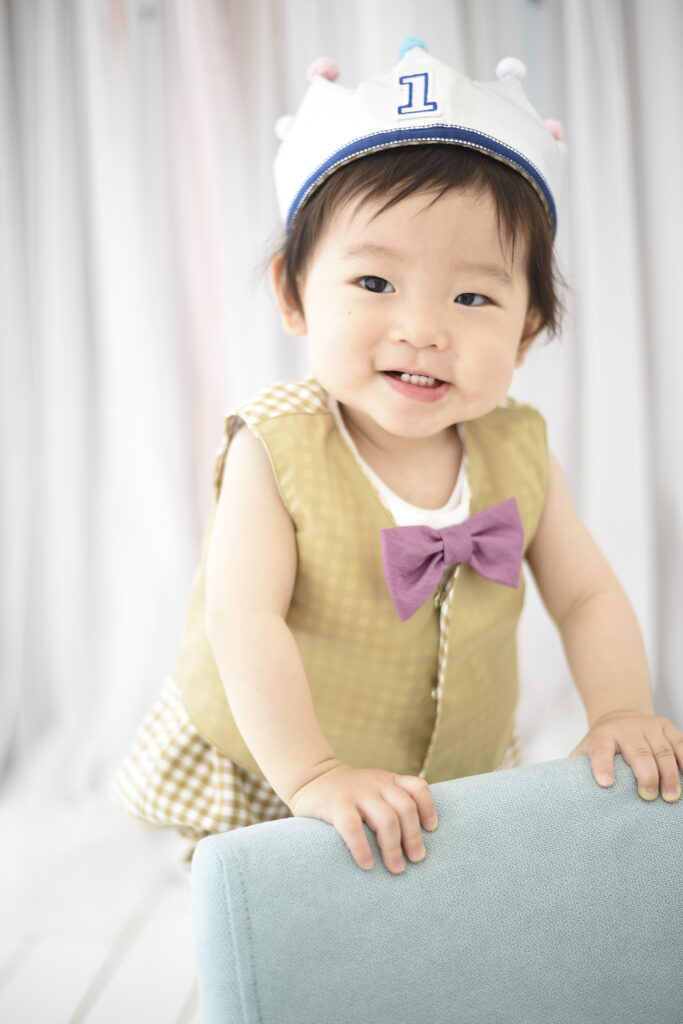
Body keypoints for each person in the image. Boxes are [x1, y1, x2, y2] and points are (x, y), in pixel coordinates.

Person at [111, 39, 683, 874]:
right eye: (374, 284)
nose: (422, 328)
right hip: (281, 761)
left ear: (526, 330)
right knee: (290, 943)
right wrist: (314, 775)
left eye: (472, 295)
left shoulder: (516, 448)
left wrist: (622, 708)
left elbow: (589, 593)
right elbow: (243, 620)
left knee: (436, 947)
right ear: (292, 292)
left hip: (449, 770)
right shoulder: (274, 447)